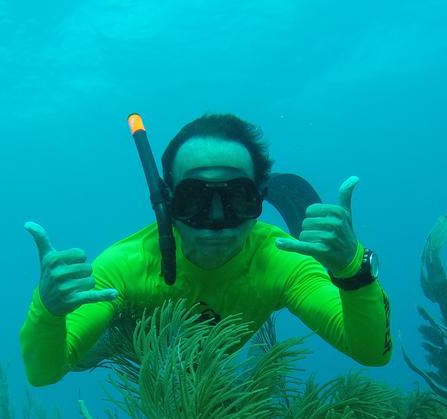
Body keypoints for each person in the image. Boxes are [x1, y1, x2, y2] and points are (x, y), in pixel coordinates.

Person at [19, 113, 392, 387]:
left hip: (226, 347)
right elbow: (44, 372)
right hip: (137, 340)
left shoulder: (280, 260)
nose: (217, 221)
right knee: (86, 356)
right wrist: (48, 308)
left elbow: (373, 353)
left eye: (238, 199)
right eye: (194, 199)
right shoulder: (124, 266)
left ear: (259, 199)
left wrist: (352, 267)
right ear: (166, 202)